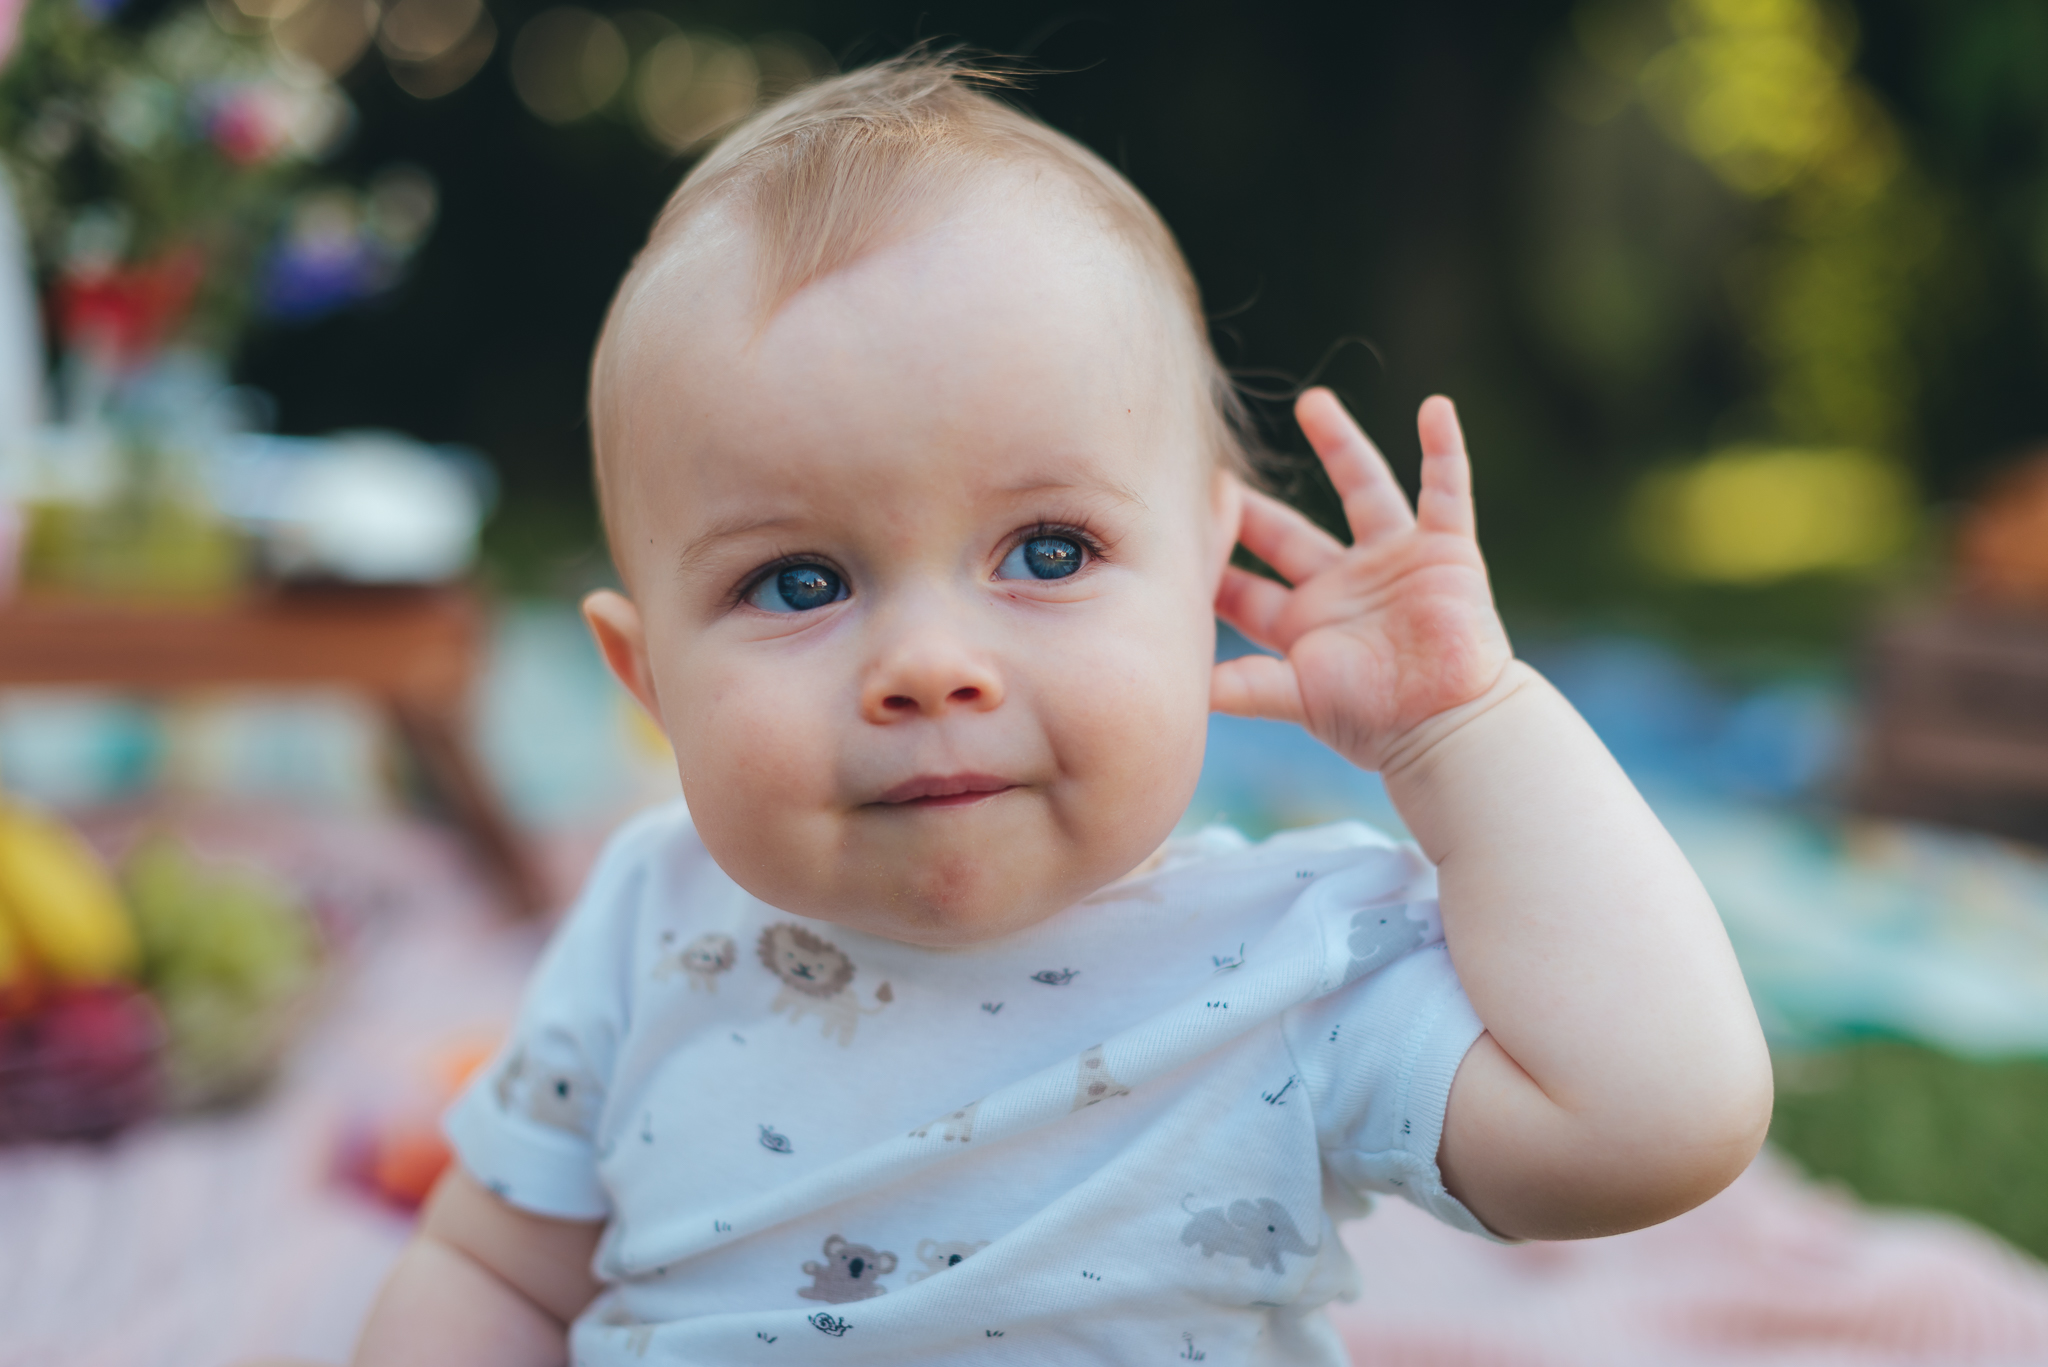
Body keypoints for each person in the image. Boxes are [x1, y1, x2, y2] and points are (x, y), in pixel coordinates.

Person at [348, 53, 1772, 1365]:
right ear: (647, 678)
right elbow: (494, 1276)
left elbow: (1658, 1123)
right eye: (797, 582)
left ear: (1205, 579)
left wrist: (1465, 732)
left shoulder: (1288, 969)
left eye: (1047, 554)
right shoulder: (645, 927)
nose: (927, 664)